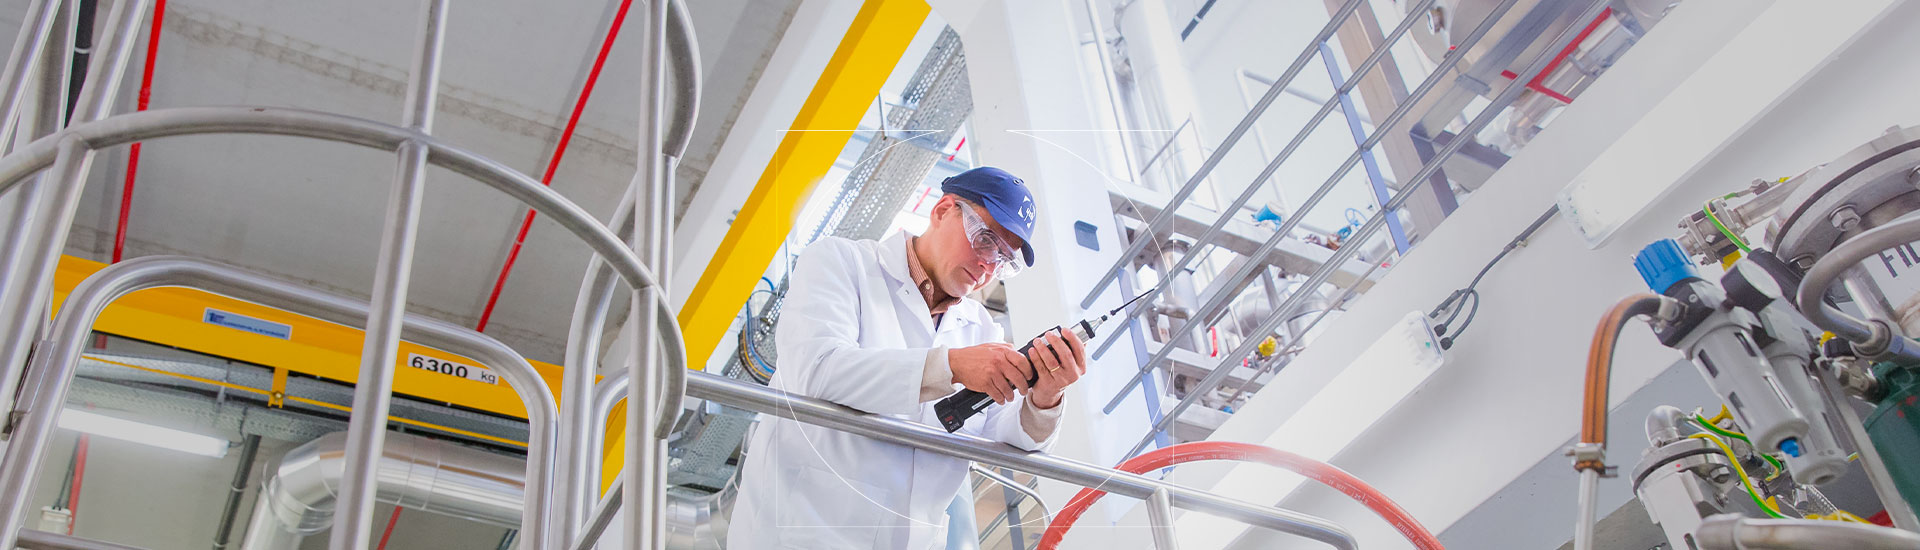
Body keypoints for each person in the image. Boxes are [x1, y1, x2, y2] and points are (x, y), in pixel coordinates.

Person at [726, 166, 1088, 549]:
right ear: (943, 210)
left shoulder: (981, 328)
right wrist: (950, 366)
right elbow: (816, 371)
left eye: (1004, 259)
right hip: (804, 529)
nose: (988, 266)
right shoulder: (840, 264)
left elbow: (1010, 439)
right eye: (985, 239)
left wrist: (1044, 397)